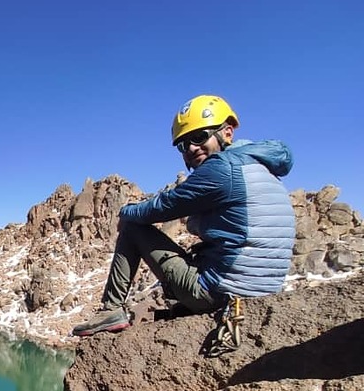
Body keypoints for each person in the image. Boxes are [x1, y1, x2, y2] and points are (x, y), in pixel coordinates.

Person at [72, 95, 295, 337]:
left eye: (199, 137)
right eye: (183, 144)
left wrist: (125, 212)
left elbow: (162, 206)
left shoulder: (222, 168)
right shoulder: (257, 164)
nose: (190, 148)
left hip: (223, 290)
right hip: (262, 289)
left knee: (133, 227)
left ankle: (111, 309)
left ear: (227, 132)